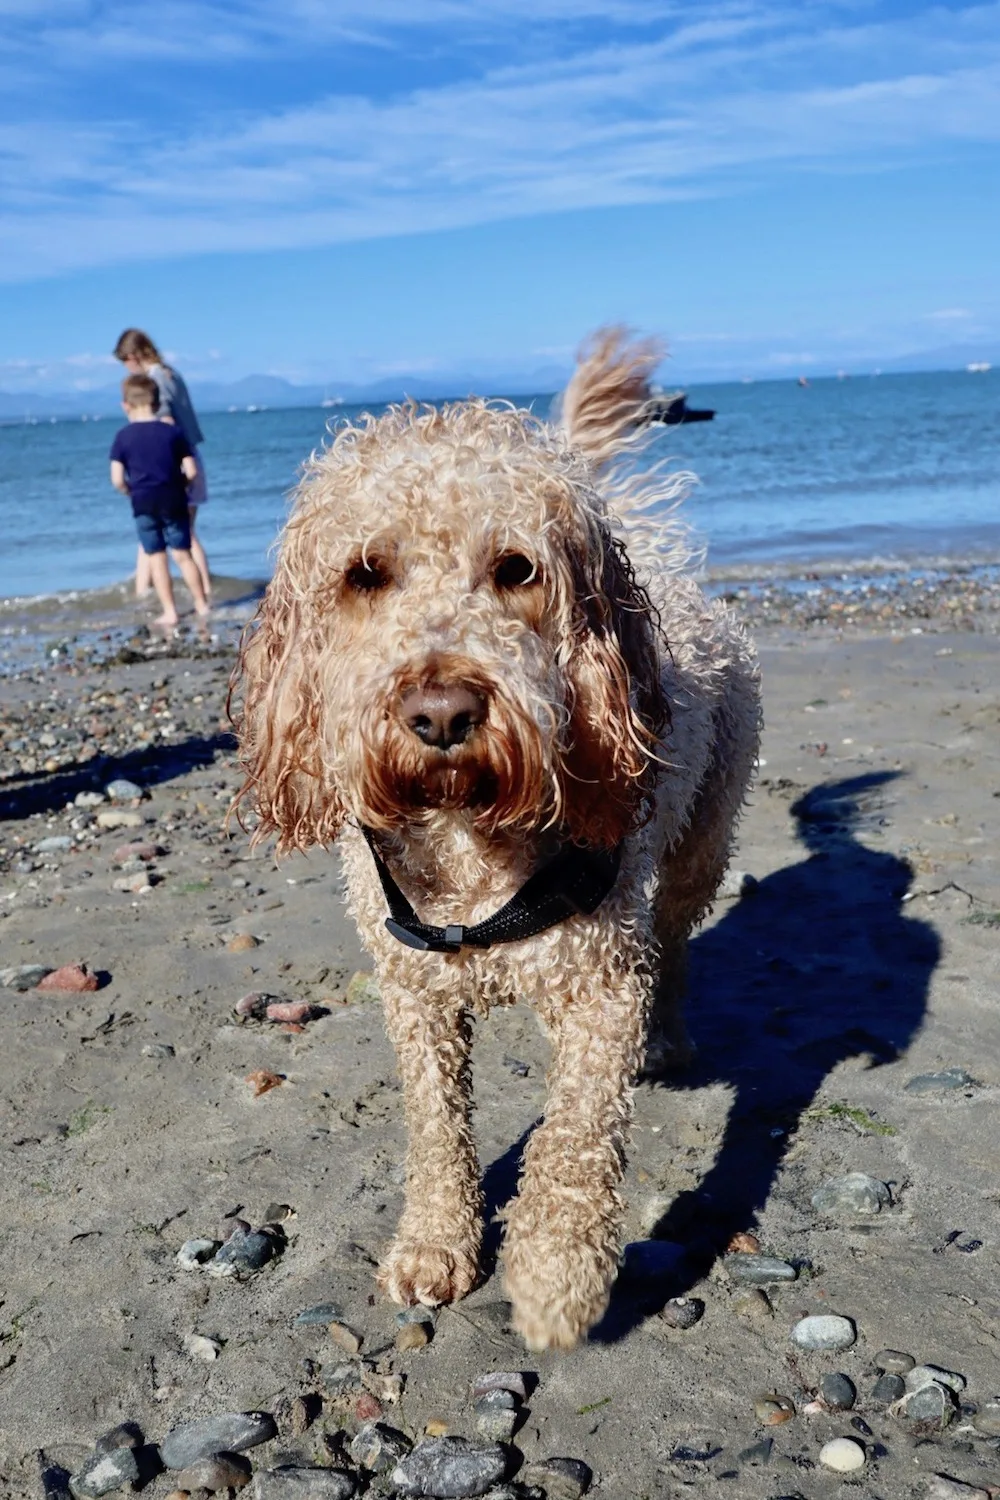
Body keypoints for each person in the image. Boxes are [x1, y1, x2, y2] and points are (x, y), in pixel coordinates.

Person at [113, 328, 212, 600]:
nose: (125, 368)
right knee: (184, 535)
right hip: (188, 455)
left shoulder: (155, 379)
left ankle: (146, 594)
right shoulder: (171, 373)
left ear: (133, 356)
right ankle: (202, 591)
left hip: (173, 461)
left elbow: (165, 421)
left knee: (168, 539)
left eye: (124, 362)